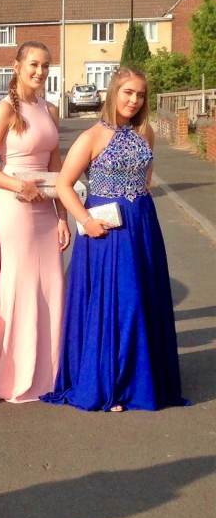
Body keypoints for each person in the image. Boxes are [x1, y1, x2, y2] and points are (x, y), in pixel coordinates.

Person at [42, 67, 189, 412]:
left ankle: (141, 380)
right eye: (128, 92)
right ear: (114, 93)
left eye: (140, 95)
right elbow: (63, 184)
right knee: (117, 305)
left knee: (142, 299)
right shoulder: (92, 136)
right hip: (105, 230)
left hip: (141, 225)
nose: (134, 100)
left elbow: (146, 179)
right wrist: (86, 220)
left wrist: (136, 204)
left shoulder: (146, 132)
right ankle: (112, 386)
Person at [0, 41, 70, 402]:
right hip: (16, 207)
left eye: (45, 65)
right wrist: (18, 186)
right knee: (22, 285)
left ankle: (51, 371)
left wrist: (62, 216)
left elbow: (56, 167)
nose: (40, 72)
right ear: (17, 66)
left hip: (46, 209)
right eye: (33, 65)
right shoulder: (5, 109)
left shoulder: (49, 108)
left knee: (53, 284)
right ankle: (15, 374)